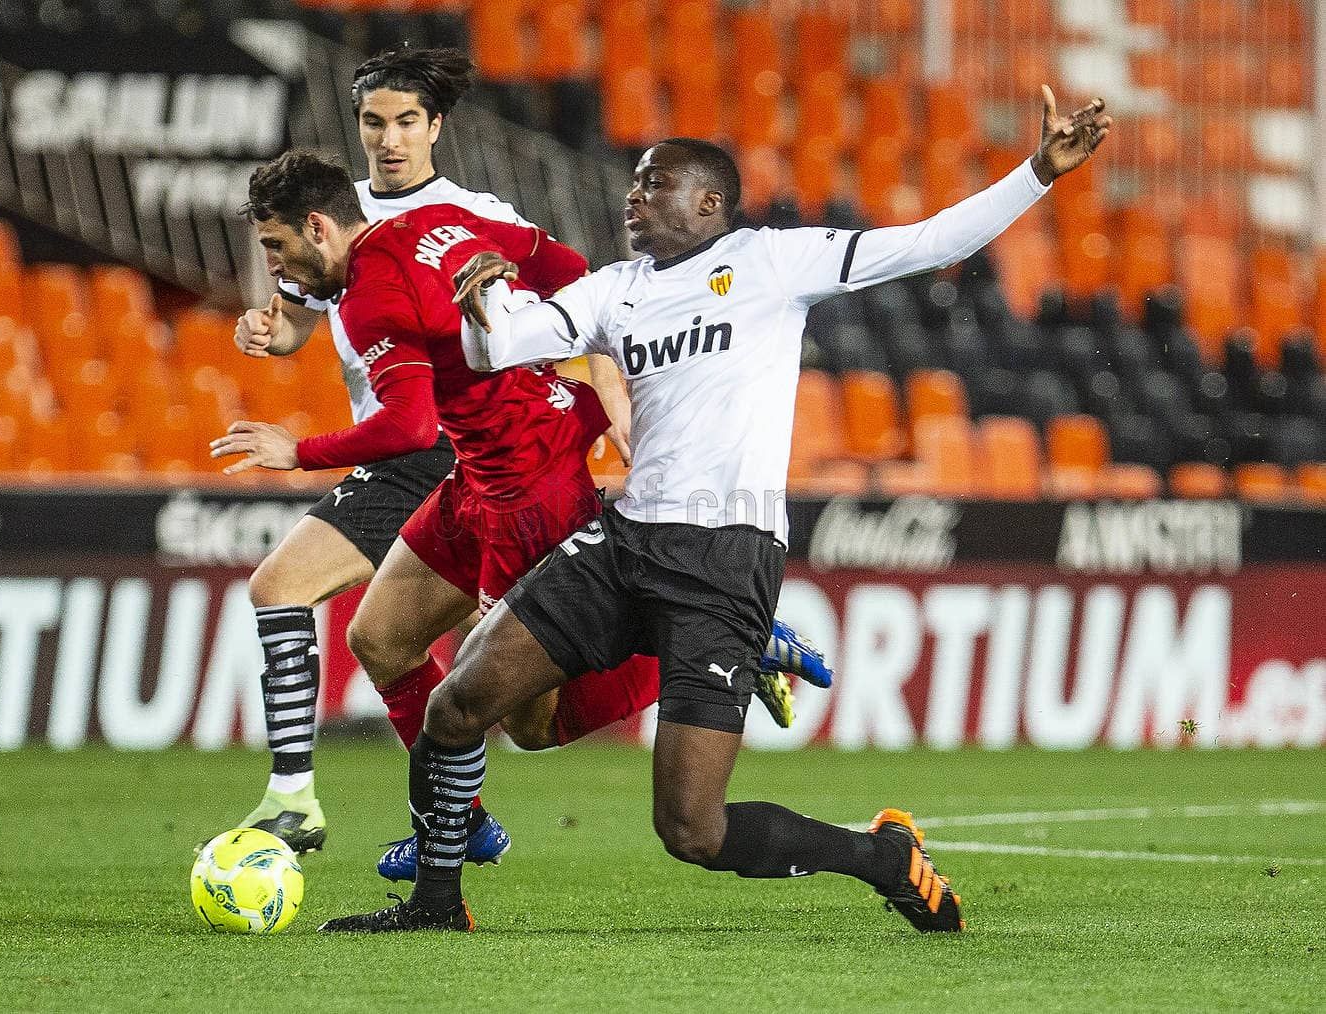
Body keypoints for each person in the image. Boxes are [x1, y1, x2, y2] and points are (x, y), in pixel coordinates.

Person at [317, 85, 1112, 934]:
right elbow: (502, 347)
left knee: (692, 829)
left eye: (654, 183)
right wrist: (486, 304)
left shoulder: (773, 264)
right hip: (626, 542)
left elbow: (927, 242)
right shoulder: (617, 291)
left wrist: (1037, 173)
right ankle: (436, 905)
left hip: (726, 559)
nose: (633, 195)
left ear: (709, 202)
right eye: (633, 181)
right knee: (457, 708)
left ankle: (880, 857)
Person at [216, 148, 832, 881]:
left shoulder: (369, 295)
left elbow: (410, 428)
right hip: (475, 474)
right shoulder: (439, 221)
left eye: (277, 247)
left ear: (318, 227)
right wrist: (539, 338)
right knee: (378, 638)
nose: (279, 271)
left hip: (528, 486)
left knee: (532, 726)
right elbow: (561, 260)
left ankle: (723, 641)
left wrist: (298, 451)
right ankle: (458, 819)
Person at [201, 47, 632, 868]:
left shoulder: (466, 211)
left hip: (443, 449)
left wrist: (591, 387)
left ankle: (321, 803)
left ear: (435, 127)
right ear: (358, 128)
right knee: (444, 675)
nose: (390, 139)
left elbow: (571, 292)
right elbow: (296, 317)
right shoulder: (336, 214)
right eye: (374, 122)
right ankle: (450, 820)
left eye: (406, 121)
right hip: (410, 448)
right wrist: (265, 333)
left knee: (305, 600)